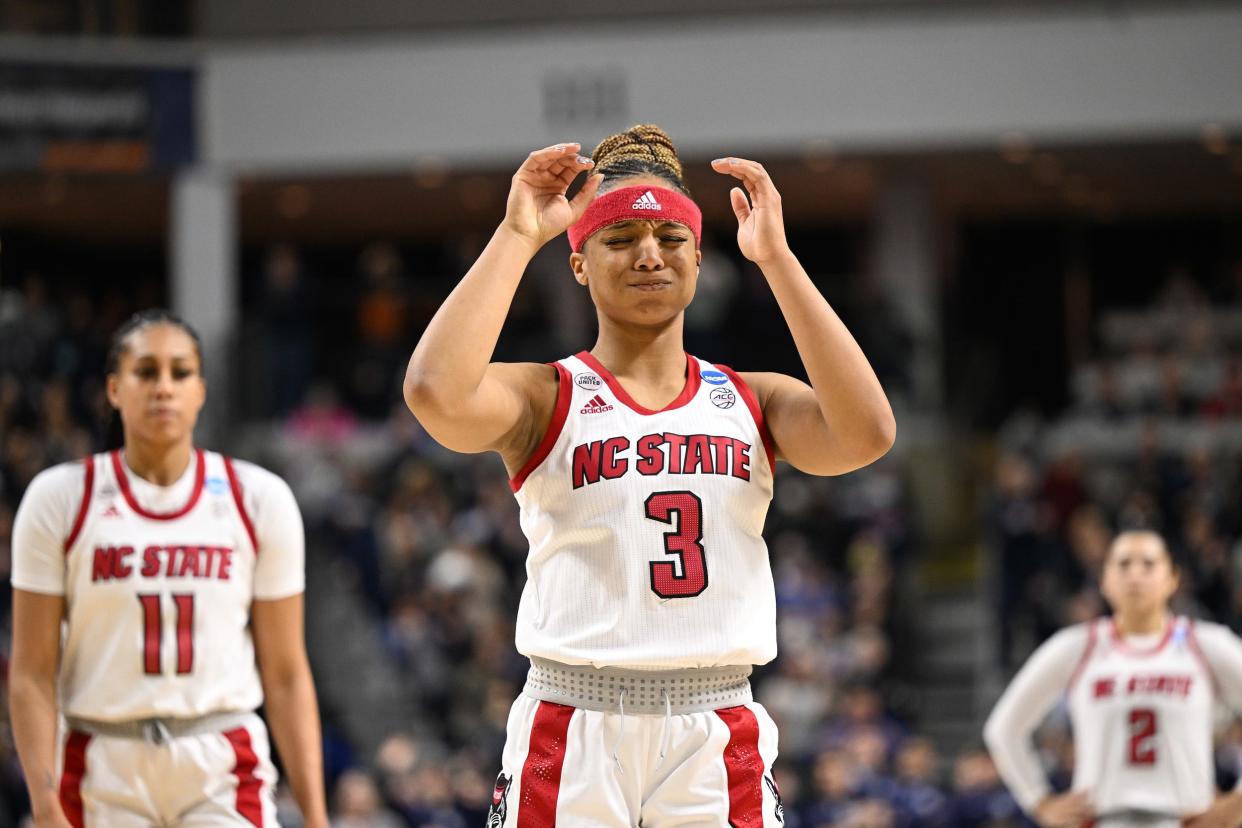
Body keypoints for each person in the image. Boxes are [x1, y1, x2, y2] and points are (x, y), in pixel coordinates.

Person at [403, 124, 895, 825]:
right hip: (573, 723)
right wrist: (515, 235)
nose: (648, 256)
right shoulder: (547, 394)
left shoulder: (753, 399)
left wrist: (778, 261)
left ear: (698, 257)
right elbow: (434, 393)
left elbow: (868, 434)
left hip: (715, 721)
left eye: (670, 239)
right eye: (620, 237)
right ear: (579, 261)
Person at [10, 310, 329, 828]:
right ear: (114, 389)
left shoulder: (259, 498)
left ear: (200, 390)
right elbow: (30, 672)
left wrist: (316, 817)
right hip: (99, 758)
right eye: (146, 371)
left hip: (221, 756)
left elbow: (287, 672)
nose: (164, 387)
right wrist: (44, 805)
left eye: (180, 373)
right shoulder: (60, 498)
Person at [983, 529, 1242, 828]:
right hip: (1103, 819)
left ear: (1173, 579)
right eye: (1123, 564)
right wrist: (1038, 801)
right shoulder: (1076, 646)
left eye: (1148, 564)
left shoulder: (1206, 643)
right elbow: (1003, 728)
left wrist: (1238, 801)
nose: (1135, 574)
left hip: (1186, 818)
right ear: (1104, 580)